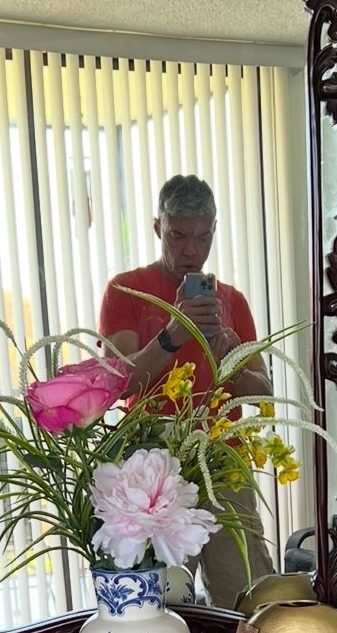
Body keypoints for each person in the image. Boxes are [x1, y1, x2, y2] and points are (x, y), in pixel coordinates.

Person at [98, 174, 275, 609]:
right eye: (178, 235)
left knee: (248, 597)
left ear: (214, 229)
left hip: (222, 459)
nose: (191, 250)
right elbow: (118, 384)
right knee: (157, 599)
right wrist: (173, 334)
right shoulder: (126, 291)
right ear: (158, 227)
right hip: (152, 465)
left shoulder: (232, 300)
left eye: (202, 236)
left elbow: (265, 396)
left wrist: (229, 364)